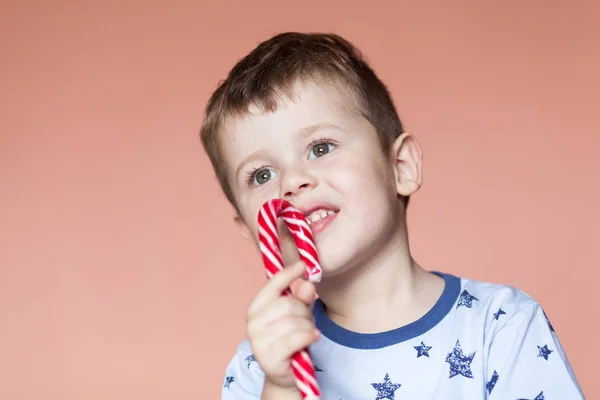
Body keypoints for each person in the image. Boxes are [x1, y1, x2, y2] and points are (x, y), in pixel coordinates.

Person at [199, 32, 584, 400]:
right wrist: (282, 389)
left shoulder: (500, 327)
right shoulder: (259, 366)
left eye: (320, 148)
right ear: (251, 230)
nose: (292, 182)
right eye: (262, 175)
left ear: (400, 167)